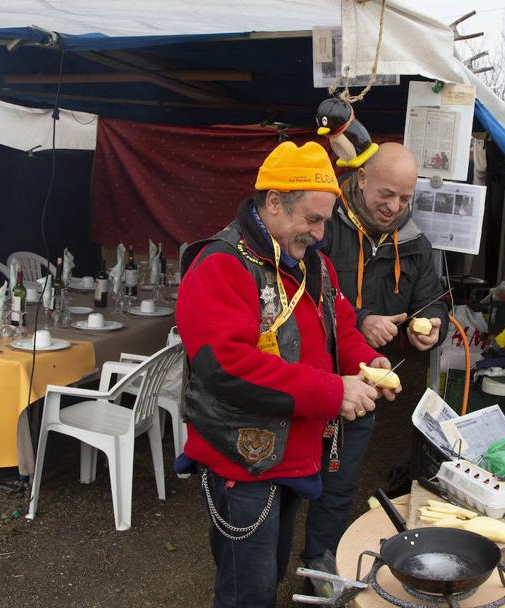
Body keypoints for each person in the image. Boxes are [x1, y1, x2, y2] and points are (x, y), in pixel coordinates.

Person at [175, 141, 400, 608]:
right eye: (312, 220)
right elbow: (227, 368)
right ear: (273, 201)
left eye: (324, 221)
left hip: (294, 454)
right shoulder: (220, 265)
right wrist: (331, 391)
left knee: (270, 574)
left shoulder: (311, 263)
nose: (319, 234)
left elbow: (340, 323)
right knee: (247, 592)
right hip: (244, 461)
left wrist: (364, 363)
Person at [301, 142, 449, 574]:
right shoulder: (324, 225)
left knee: (341, 478)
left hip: (365, 381)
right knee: (293, 474)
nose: (394, 207)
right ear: (361, 178)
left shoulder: (416, 241)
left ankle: (319, 563)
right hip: (308, 371)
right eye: (387, 194)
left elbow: (431, 301)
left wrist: (431, 326)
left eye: (405, 198)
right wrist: (361, 321)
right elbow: (303, 291)